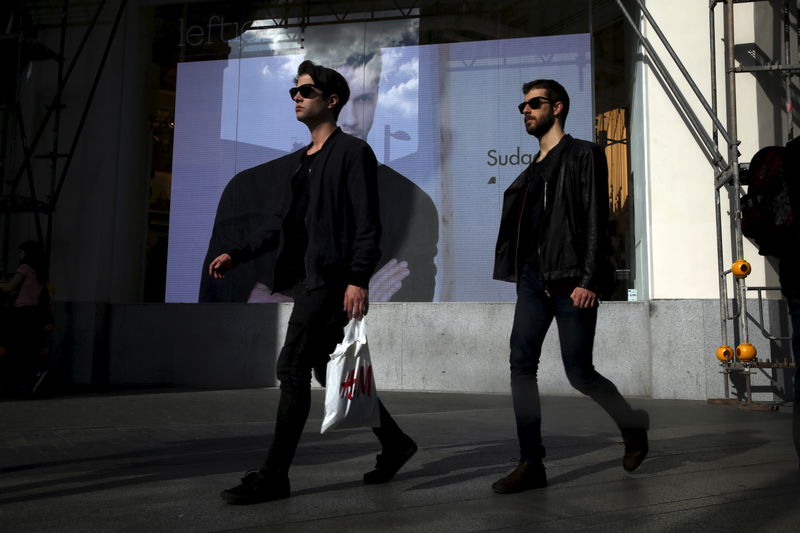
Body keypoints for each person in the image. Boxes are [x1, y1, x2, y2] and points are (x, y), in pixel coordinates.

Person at [211, 60, 417, 505]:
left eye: (305, 92)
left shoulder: (352, 153)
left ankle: (274, 476)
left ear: (331, 101)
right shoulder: (301, 163)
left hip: (331, 281)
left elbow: (368, 223)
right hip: (306, 280)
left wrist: (358, 279)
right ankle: (395, 443)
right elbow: (277, 226)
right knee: (325, 368)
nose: (297, 98)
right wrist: (237, 253)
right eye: (294, 92)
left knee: (290, 368)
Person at [491, 79, 649, 493]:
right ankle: (531, 463)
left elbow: (597, 218)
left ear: (557, 108)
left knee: (579, 372)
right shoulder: (529, 172)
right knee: (520, 367)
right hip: (532, 282)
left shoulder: (584, 155)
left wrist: (589, 279)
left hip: (570, 282)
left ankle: (632, 425)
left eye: (534, 103)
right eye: (522, 105)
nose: (526, 110)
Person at [199, 51, 438, 304]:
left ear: (378, 97)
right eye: (335, 102)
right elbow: (213, 297)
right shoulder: (248, 189)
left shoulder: (413, 204)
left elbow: (415, 307)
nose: (353, 119)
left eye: (364, 99)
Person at [0, 240, 53, 392]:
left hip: (22, 311)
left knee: (14, 344)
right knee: (28, 344)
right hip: (34, 312)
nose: (18, 255)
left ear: (27, 253)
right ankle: (33, 374)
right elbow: (49, 294)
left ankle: (16, 379)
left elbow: (9, 287)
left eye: (20, 252)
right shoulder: (40, 272)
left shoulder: (24, 268)